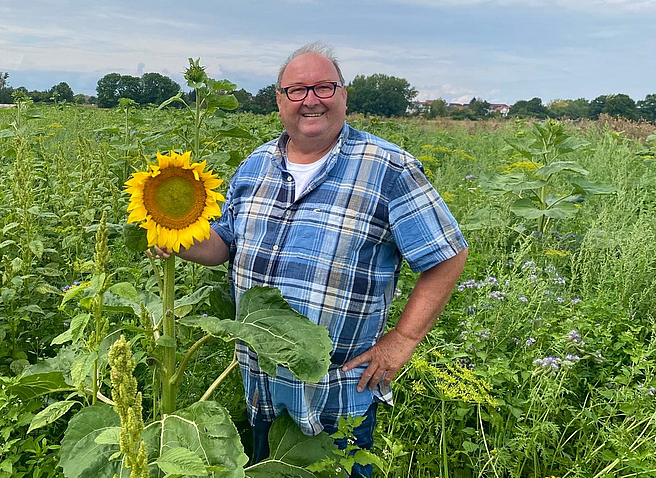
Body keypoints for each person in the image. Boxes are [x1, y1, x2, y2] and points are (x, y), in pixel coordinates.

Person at [155, 42, 468, 477]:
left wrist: (403, 339)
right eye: (297, 90)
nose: (311, 100)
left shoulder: (389, 168)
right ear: (279, 100)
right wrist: (174, 234)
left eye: (323, 86)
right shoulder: (255, 165)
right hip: (261, 388)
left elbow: (447, 255)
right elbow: (223, 243)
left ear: (343, 95)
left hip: (337, 397)